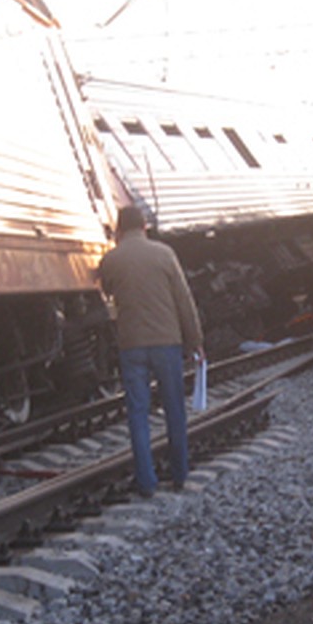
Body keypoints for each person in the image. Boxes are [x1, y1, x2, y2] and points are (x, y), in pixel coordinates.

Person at [98, 204, 204, 497]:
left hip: (131, 345)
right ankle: (180, 475)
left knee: (138, 413)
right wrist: (195, 341)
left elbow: (107, 294)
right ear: (144, 226)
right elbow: (184, 301)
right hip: (166, 343)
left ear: (119, 230)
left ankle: (147, 482)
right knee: (174, 409)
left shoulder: (110, 260)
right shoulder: (164, 254)